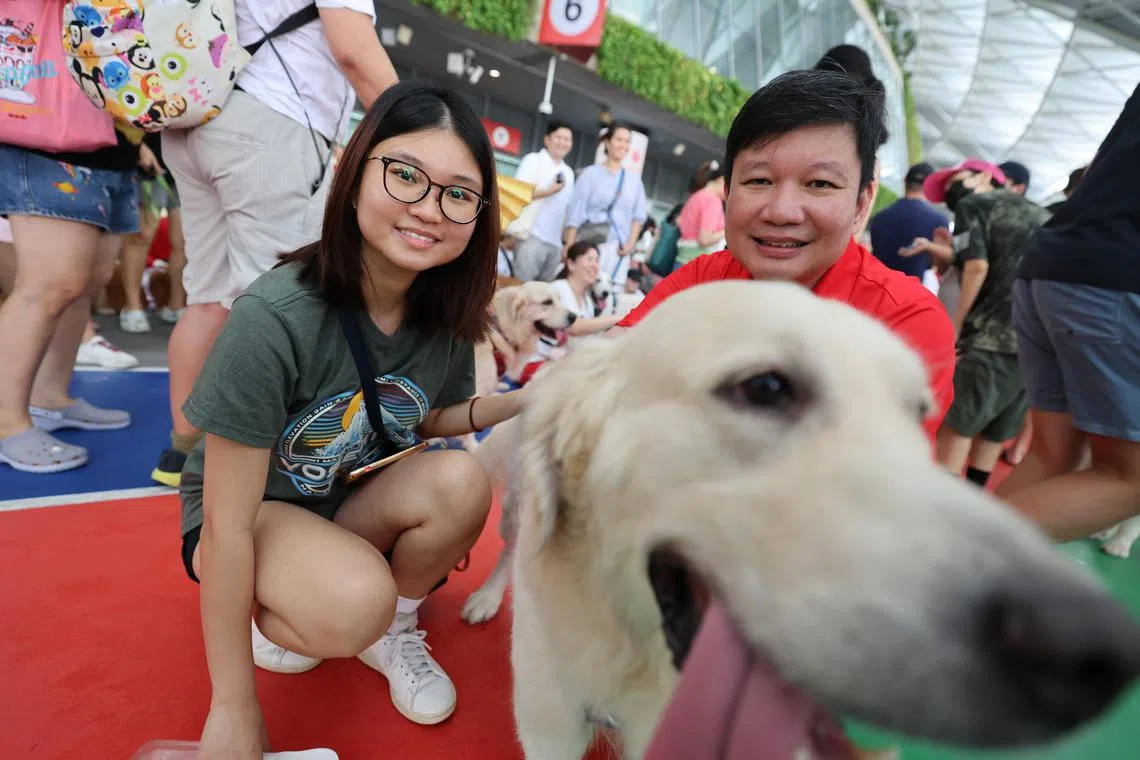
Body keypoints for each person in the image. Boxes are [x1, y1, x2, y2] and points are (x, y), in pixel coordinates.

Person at [182, 83, 524, 758]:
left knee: (461, 480)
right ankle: (298, 607)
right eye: (406, 176)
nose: (430, 208)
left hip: (343, 496)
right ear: (354, 166)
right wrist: (233, 707)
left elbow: (423, 420)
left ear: (478, 213)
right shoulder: (275, 317)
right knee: (350, 602)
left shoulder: (443, 312)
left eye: (458, 193)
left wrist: (521, 401)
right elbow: (224, 525)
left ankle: (388, 630)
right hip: (254, 512)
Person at [613, 69, 956, 445]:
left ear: (861, 204)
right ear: (728, 191)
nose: (781, 211)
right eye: (759, 180)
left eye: (819, 184)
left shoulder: (905, 324)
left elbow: (869, 484)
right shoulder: (702, 280)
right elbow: (603, 380)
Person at [154, 0, 400, 487]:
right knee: (287, 307)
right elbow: (353, 50)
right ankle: (271, 468)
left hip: (200, 112)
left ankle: (184, 454)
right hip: (272, 121)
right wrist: (429, 127)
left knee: (207, 299)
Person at [996, 81, 1140, 541]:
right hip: (1117, 277)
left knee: (1052, 458)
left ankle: (945, 587)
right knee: (1129, 478)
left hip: (1057, 262)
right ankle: (930, 577)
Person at [919, 159, 1048, 487]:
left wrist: (957, 327)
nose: (951, 192)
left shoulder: (973, 206)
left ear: (983, 177)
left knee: (957, 427)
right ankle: (971, 499)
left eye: (955, 182)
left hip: (990, 336)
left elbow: (976, 266)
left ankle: (941, 510)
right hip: (1036, 342)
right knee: (994, 434)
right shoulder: (1041, 215)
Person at [563, 123, 648, 289]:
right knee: (583, 289)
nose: (623, 145)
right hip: (590, 246)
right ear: (608, 142)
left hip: (618, 250)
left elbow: (638, 217)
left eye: (627, 141)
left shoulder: (635, 181)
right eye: (619, 140)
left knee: (609, 295)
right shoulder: (590, 174)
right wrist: (569, 248)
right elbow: (575, 214)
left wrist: (630, 243)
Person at [512, 120, 576, 281]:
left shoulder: (569, 173)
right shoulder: (533, 160)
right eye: (558, 137)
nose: (563, 142)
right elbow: (518, 192)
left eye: (567, 139)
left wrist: (565, 243)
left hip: (555, 243)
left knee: (543, 295)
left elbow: (566, 211)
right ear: (547, 139)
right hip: (530, 236)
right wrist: (549, 191)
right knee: (522, 288)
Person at [867, 162, 949, 282]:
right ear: (930, 187)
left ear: (905, 181)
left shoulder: (880, 217)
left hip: (876, 285)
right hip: (912, 293)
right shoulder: (939, 221)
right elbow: (942, 267)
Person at [674, 160, 727, 270]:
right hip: (697, 268)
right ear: (723, 180)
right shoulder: (712, 201)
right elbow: (705, 239)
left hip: (681, 262)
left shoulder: (695, 197)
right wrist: (727, 231)